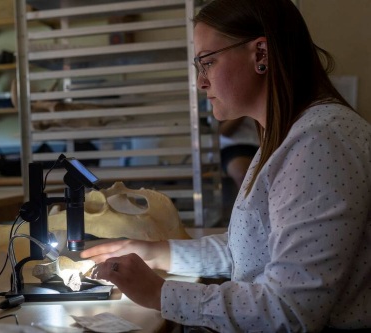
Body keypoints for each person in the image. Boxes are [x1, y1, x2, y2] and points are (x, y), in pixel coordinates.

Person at [80, 0, 371, 331]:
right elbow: (249, 251)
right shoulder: (287, 136)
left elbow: (290, 311)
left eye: (208, 62)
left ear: (261, 54)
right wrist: (158, 252)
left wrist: (160, 294)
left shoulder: (319, 142)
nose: (200, 83)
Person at [219, 117, 259, 190]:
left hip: (261, 142)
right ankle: (249, 200)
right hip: (231, 145)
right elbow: (223, 131)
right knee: (243, 175)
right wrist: (245, 110)